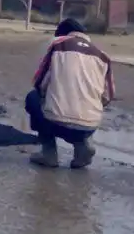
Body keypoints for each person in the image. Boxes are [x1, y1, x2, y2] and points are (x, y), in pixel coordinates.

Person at [25, 18, 114, 169]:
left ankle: (49, 153)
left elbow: (39, 84)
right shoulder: (102, 56)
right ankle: (83, 145)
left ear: (61, 34)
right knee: (89, 107)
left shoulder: (57, 46)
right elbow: (108, 97)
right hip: (88, 126)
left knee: (32, 98)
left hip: (55, 122)